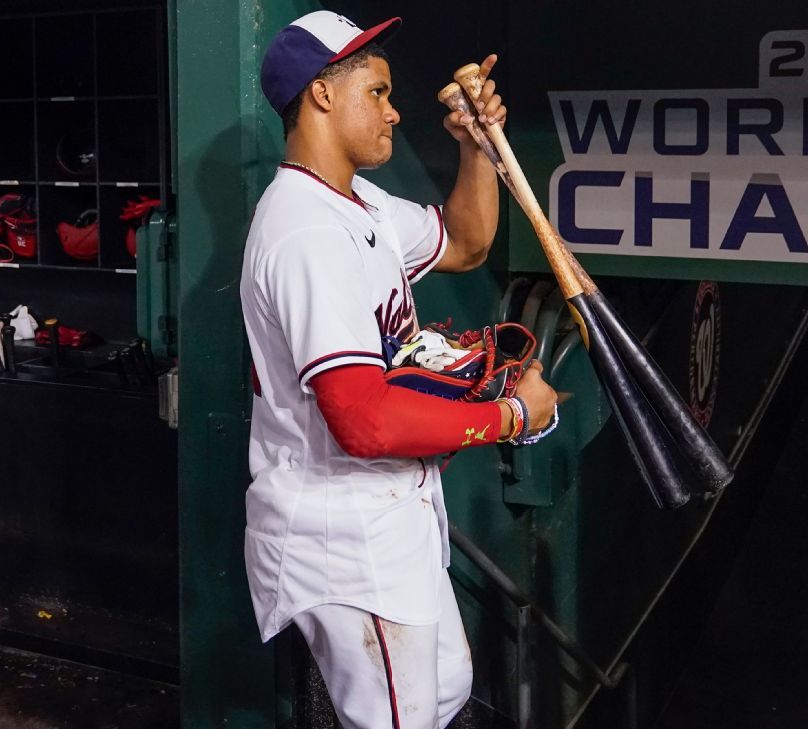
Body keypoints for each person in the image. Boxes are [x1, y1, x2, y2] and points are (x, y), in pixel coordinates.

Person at [239, 11, 558, 729]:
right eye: (377, 92)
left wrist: (477, 149)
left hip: (393, 520)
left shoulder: (358, 205)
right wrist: (510, 417)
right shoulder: (306, 232)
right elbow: (364, 420)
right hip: (344, 535)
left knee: (444, 696)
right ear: (322, 95)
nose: (394, 110)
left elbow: (469, 242)